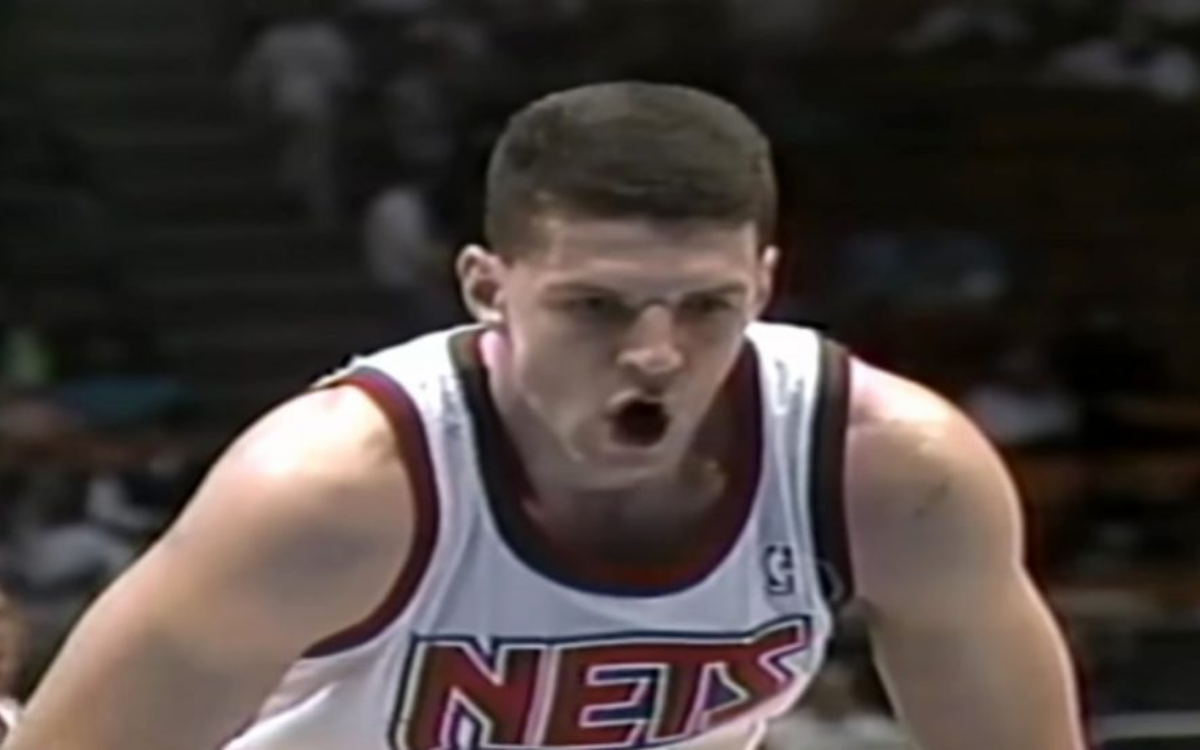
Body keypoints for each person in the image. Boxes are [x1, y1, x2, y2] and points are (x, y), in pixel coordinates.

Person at [6, 82, 1085, 750]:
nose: (656, 352)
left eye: (706, 306)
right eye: (595, 307)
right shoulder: (332, 492)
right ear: (487, 288)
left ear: (763, 285)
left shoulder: (890, 469)